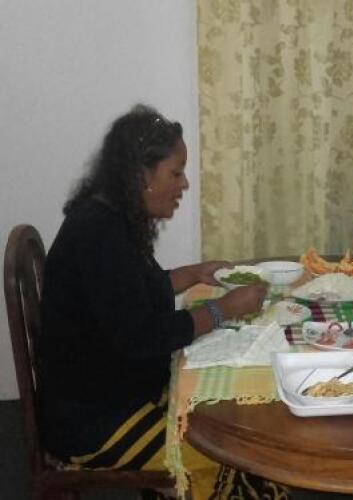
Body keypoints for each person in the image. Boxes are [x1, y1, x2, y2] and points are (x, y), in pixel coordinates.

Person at [39, 104, 285, 499]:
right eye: (176, 172)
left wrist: (196, 273)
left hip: (112, 389)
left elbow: (133, 293)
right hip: (93, 420)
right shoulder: (100, 235)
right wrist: (224, 309)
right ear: (141, 175)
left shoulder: (111, 218)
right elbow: (144, 336)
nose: (184, 184)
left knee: (235, 413)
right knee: (233, 454)